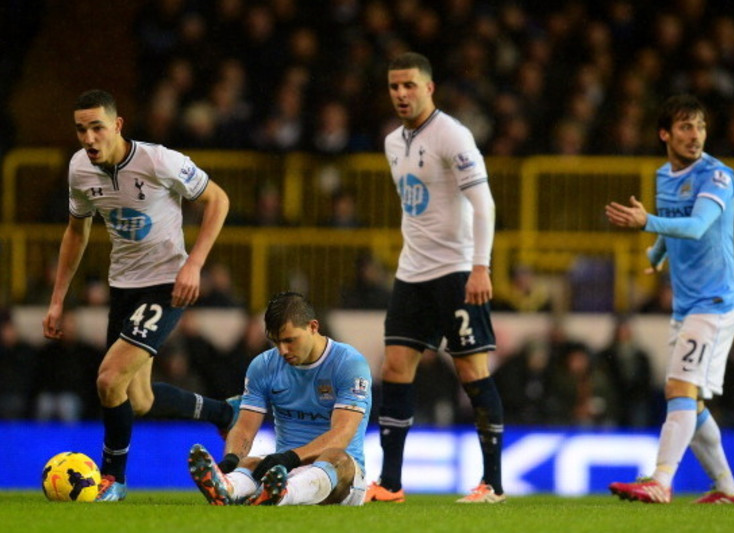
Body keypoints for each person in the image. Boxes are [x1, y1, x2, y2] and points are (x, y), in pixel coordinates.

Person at [42, 89, 237, 502]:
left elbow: (218, 200)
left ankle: (114, 480)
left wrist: (194, 264)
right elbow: (77, 232)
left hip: (167, 283)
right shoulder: (80, 169)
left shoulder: (158, 160)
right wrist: (58, 299)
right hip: (124, 286)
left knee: (109, 379)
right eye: (81, 130)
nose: (89, 138)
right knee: (139, 399)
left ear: (117, 125)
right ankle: (224, 412)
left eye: (97, 127)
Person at [366, 52, 505, 504]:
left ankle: (493, 484)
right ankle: (390, 483)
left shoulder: (452, 135)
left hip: (458, 272)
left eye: (409, 85)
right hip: (413, 272)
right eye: (394, 87)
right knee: (394, 368)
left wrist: (480, 266)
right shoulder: (392, 142)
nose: (401, 94)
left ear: (430, 87)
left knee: (471, 371)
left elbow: (483, 204)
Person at [604, 94, 734, 504]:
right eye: (685, 127)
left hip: (716, 301)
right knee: (690, 398)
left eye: (700, 126)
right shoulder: (663, 175)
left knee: (678, 388)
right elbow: (675, 221)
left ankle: (661, 481)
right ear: (665, 134)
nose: (695, 135)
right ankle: (727, 488)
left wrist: (646, 221)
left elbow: (699, 224)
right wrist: (657, 253)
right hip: (689, 305)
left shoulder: (717, 176)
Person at [187, 292, 372, 506]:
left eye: (289, 340)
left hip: (343, 480)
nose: (283, 350)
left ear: (313, 327)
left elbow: (342, 434)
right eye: (276, 342)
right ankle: (228, 488)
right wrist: (232, 459)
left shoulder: (348, 363)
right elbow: (245, 427)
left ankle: (282, 493)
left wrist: (290, 458)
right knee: (252, 462)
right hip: (284, 471)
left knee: (337, 458)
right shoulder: (263, 365)